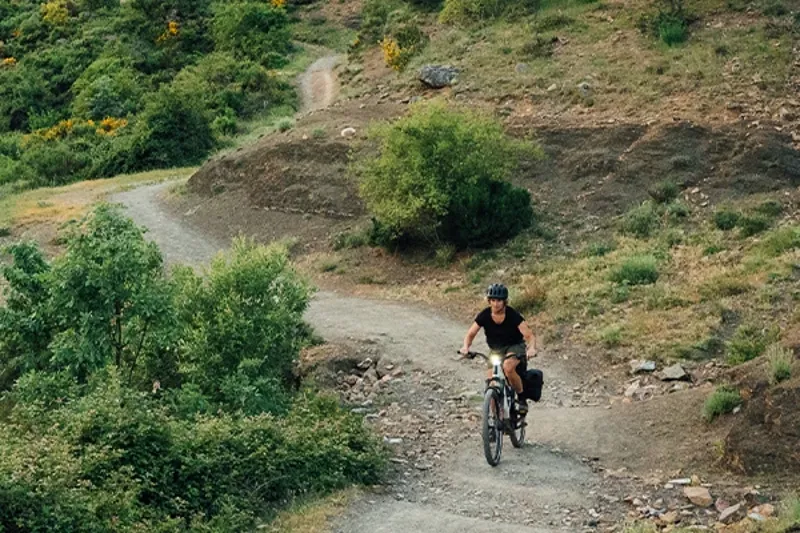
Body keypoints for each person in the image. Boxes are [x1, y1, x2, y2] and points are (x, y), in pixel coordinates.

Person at [460, 283, 538, 415]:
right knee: (491, 383)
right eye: (493, 300)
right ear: (489, 301)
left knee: (508, 368)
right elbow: (471, 333)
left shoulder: (512, 315)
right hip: (496, 350)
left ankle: (521, 398)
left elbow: (529, 335)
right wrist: (466, 347)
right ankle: (495, 419)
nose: (496, 304)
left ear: (505, 301)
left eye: (499, 300)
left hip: (514, 346)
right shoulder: (484, 315)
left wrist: (531, 348)